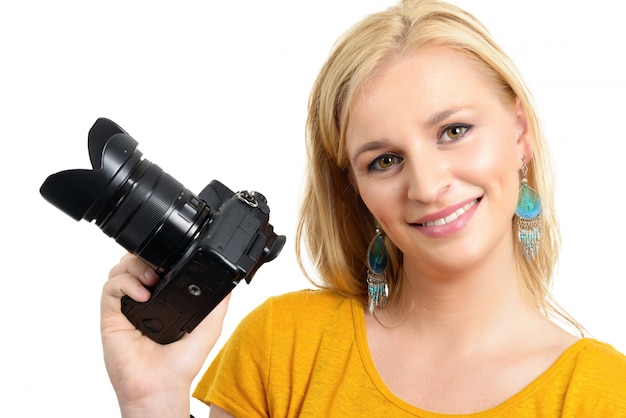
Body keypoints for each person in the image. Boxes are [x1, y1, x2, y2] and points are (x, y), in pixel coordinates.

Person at [101, 0, 626, 416]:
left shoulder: (603, 395)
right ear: (354, 189)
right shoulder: (286, 347)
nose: (427, 185)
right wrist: (155, 403)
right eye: (385, 160)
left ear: (520, 133)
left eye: (454, 131)